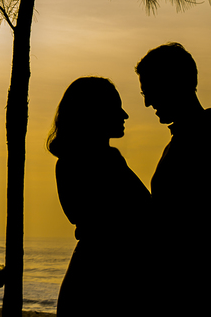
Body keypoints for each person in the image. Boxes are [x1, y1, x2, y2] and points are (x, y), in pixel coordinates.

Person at [136, 43, 211, 317]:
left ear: (172, 84)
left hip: (193, 293)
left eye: (150, 92)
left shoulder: (206, 141)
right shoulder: (191, 139)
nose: (147, 103)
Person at [48, 77, 153, 316]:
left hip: (88, 274)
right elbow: (145, 215)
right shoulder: (105, 163)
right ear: (95, 114)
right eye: (116, 108)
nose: (125, 115)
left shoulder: (69, 163)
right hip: (107, 281)